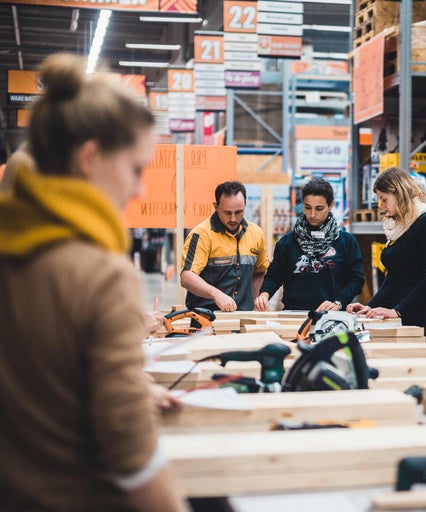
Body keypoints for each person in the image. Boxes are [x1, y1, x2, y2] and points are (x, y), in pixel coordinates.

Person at [0, 54, 186, 510]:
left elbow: (41, 371)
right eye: (136, 169)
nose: (139, 190)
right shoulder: (99, 273)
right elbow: (131, 455)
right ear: (89, 158)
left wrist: (129, 385)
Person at [347, 167, 426, 339]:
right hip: (392, 315)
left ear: (399, 193)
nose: (381, 206)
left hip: (415, 319)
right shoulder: (397, 226)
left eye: (384, 199)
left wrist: (398, 311)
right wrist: (371, 305)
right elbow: (394, 278)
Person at [255, 177, 364, 311]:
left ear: (330, 205)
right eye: (307, 207)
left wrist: (338, 302)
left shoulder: (346, 242)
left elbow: (356, 280)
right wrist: (264, 295)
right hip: (293, 315)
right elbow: (274, 275)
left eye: (319, 208)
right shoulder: (287, 243)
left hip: (332, 317)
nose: (312, 214)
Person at [181, 180, 269, 311]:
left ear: (245, 205)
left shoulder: (256, 234)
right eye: (227, 213)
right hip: (206, 316)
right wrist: (216, 295)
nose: (233, 219)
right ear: (216, 206)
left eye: (238, 212)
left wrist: (258, 299)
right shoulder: (202, 235)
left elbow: (260, 271)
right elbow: (187, 277)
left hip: (243, 315)